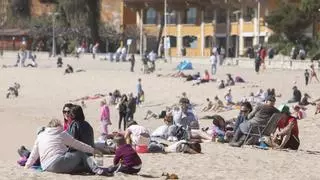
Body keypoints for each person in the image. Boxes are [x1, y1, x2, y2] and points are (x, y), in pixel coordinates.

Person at [25, 119, 110, 176]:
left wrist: (27, 166)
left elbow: (34, 154)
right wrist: (93, 150)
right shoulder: (61, 133)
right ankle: (97, 169)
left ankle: (92, 169)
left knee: (83, 167)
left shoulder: (40, 136)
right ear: (59, 126)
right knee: (80, 154)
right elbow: (78, 145)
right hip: (57, 161)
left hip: (46, 167)